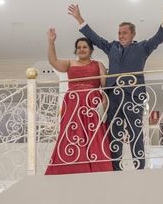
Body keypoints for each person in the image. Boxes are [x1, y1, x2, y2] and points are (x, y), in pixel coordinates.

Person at [68, 2, 163, 170]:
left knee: (135, 131)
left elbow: (158, 38)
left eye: (124, 32)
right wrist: (79, 19)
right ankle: (115, 168)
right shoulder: (111, 47)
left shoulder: (142, 47)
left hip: (133, 95)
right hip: (113, 95)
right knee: (114, 131)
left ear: (132, 33)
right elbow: (95, 38)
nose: (121, 35)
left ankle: (140, 167)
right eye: (119, 33)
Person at [44, 30, 112, 174]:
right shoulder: (70, 63)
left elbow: (104, 86)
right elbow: (53, 61)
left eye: (84, 47)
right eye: (79, 47)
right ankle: (71, 164)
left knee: (93, 132)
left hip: (91, 104)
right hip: (73, 103)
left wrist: (104, 101)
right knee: (71, 131)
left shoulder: (98, 65)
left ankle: (97, 165)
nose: (81, 49)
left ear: (91, 50)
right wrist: (51, 42)